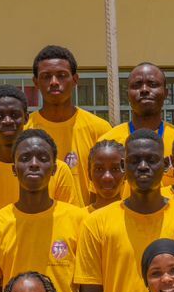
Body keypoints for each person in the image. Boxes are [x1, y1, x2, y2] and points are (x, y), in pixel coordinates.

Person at [76, 129, 174, 292]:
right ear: (123, 167)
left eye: (151, 160)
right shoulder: (96, 223)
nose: (142, 166)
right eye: (134, 160)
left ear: (168, 164)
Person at [0, 129, 87, 292]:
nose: (34, 164)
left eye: (43, 158)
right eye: (25, 158)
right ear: (14, 170)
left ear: (55, 169)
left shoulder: (80, 220)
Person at [0, 86, 81, 218]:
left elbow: (70, 220)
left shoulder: (57, 170)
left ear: (26, 118)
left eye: (14, 115)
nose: (7, 121)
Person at [27, 45, 114, 202]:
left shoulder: (99, 128)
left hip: (86, 223)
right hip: (40, 223)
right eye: (46, 76)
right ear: (36, 82)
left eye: (61, 75)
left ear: (75, 80)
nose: (54, 82)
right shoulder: (25, 130)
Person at [95, 64, 174, 191]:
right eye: (137, 85)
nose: (144, 90)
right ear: (127, 95)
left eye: (152, 84)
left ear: (166, 93)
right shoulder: (107, 143)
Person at [85, 139, 126, 209]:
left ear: (126, 174)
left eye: (115, 169)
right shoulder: (78, 219)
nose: (107, 177)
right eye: (99, 169)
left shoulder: (137, 218)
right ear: (89, 174)